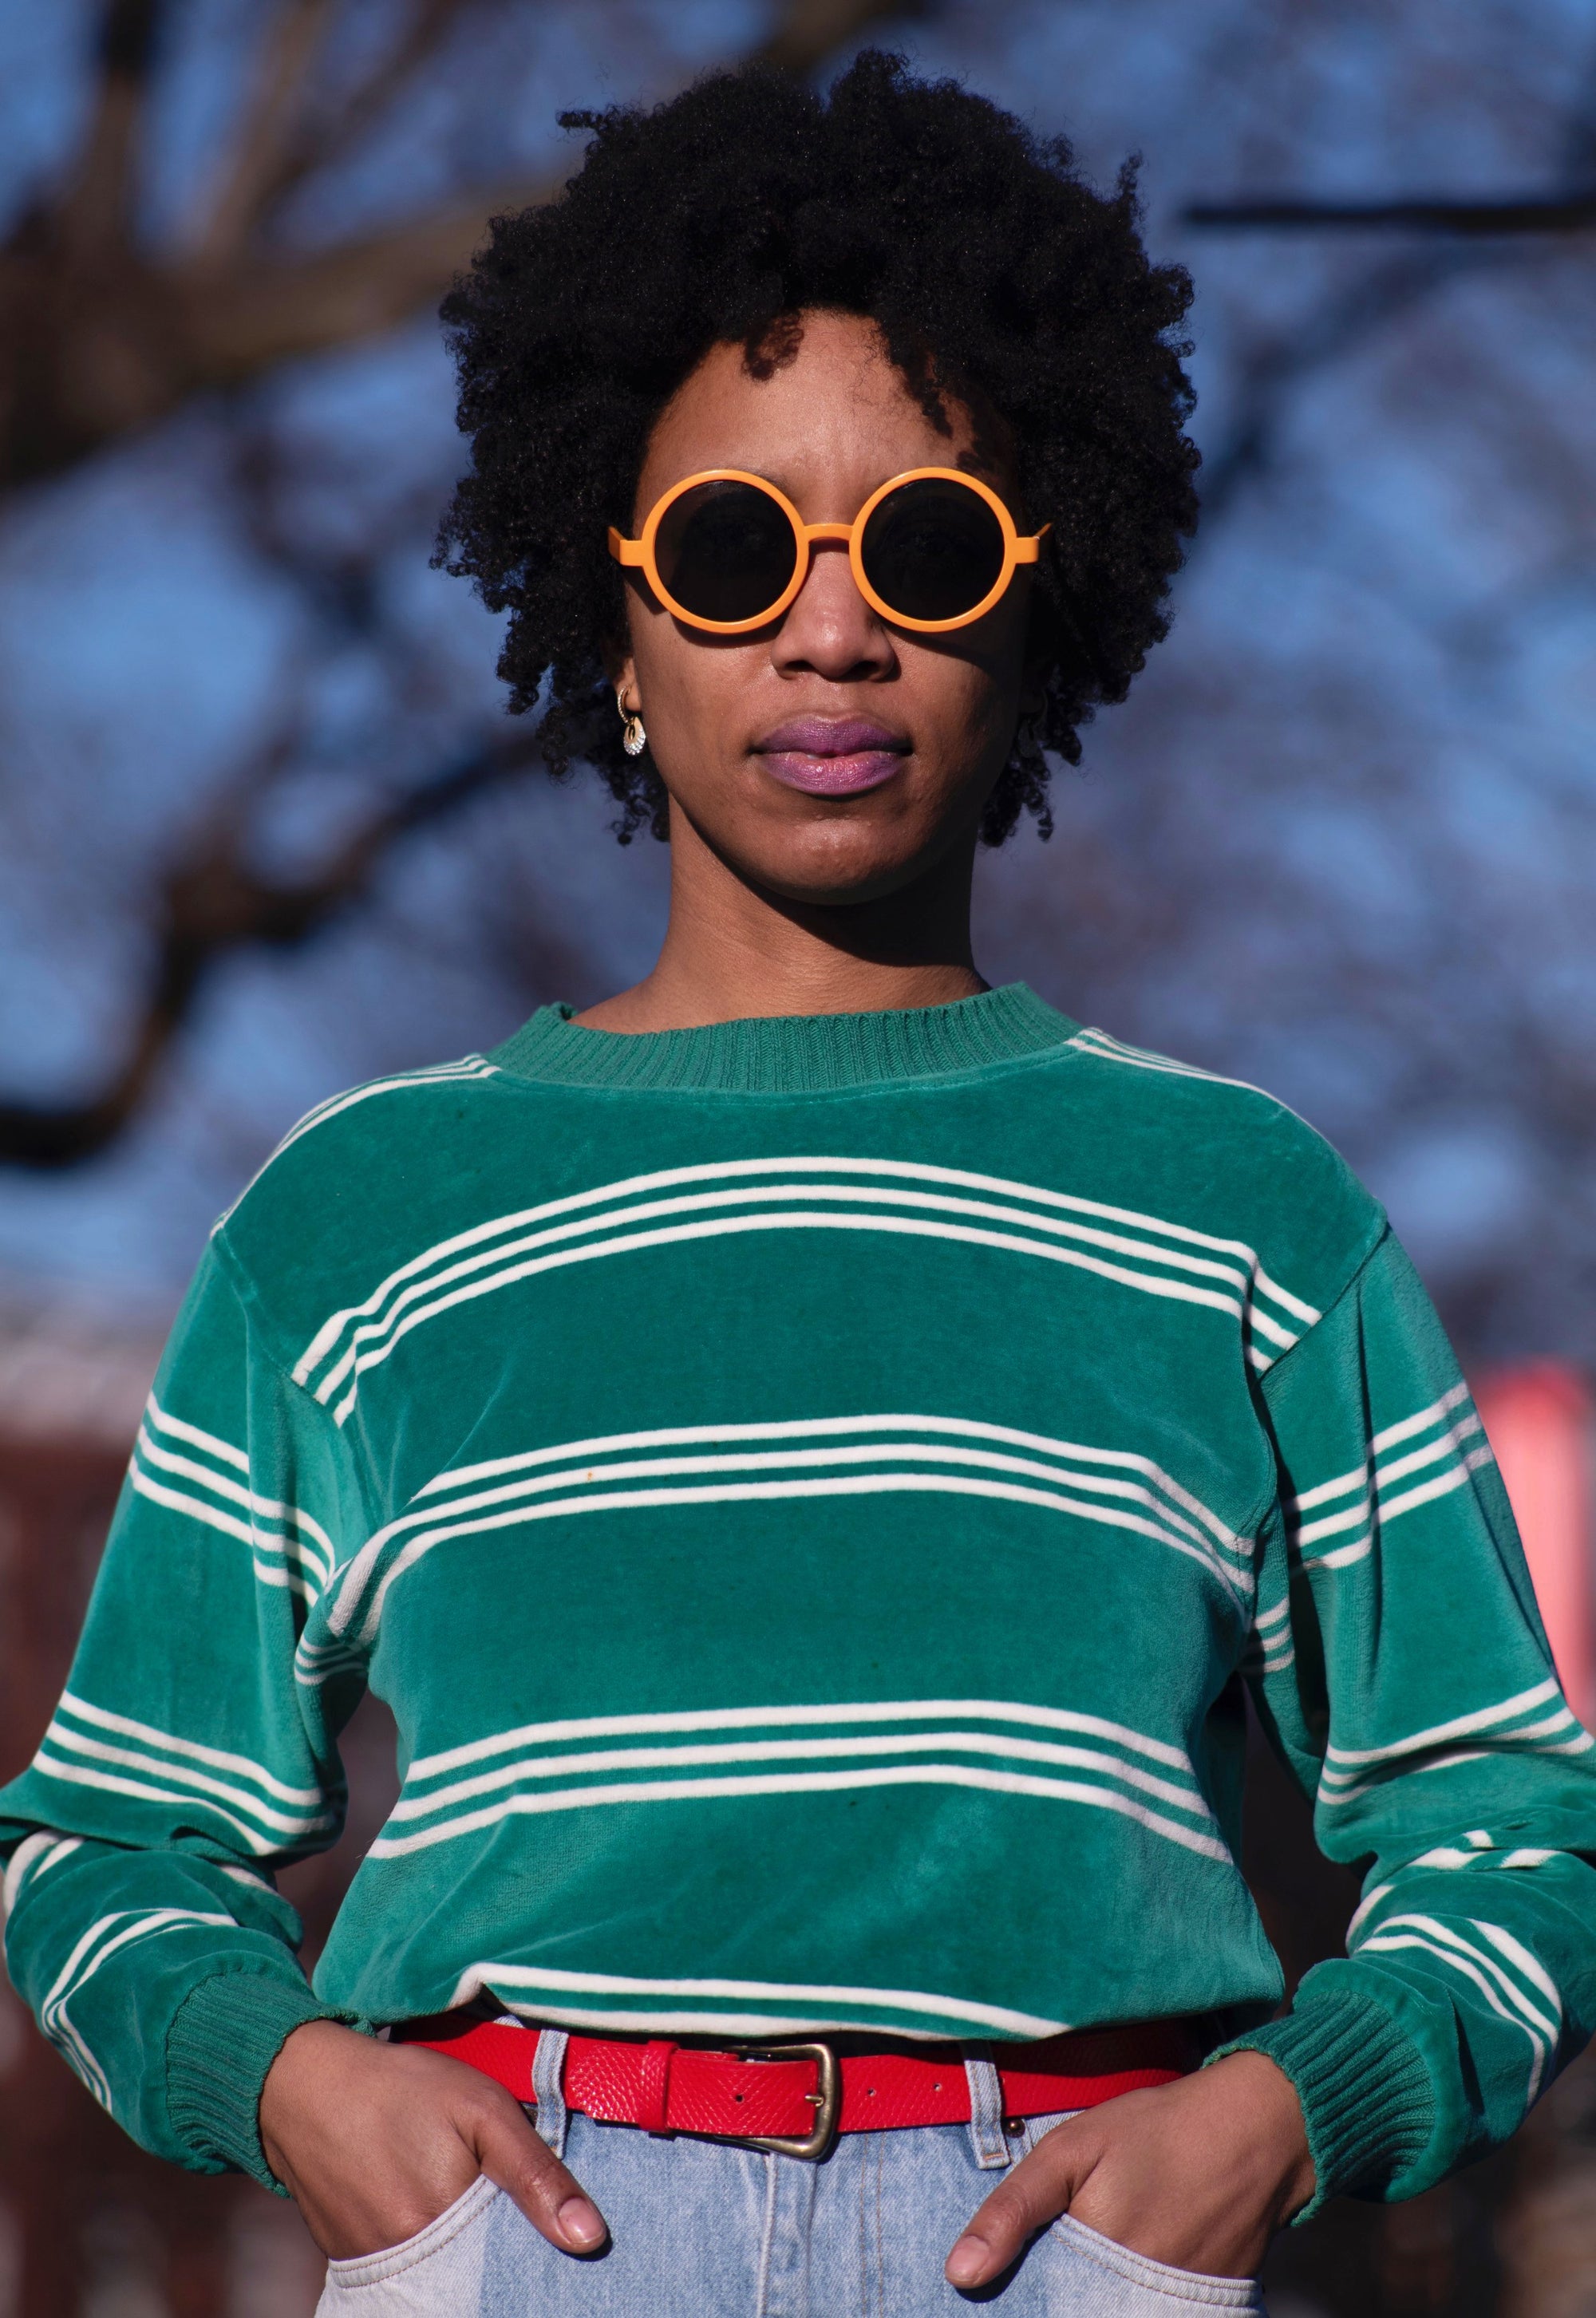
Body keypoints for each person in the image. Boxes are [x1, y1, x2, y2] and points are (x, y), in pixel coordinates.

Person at [3, 52, 1593, 2318]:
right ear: (618, 613)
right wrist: (292, 2090)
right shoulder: (366, 1214)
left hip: (1079, 2243)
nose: (831, 629)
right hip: (516, 2239)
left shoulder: (1245, 1206)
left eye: (927, 546)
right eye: (737, 547)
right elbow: (111, 1838)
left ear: (1044, 604)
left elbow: (1511, 1825)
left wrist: (1287, 2108)